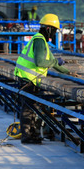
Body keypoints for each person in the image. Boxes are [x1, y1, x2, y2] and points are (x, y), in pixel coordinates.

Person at [14, 14, 70, 144]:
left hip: (30, 80)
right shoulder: (39, 40)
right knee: (28, 109)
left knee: (32, 108)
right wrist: (54, 62)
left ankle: (32, 134)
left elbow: (53, 63)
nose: (55, 33)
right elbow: (40, 62)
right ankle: (27, 136)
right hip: (28, 80)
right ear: (49, 29)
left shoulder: (42, 41)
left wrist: (68, 72)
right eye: (55, 30)